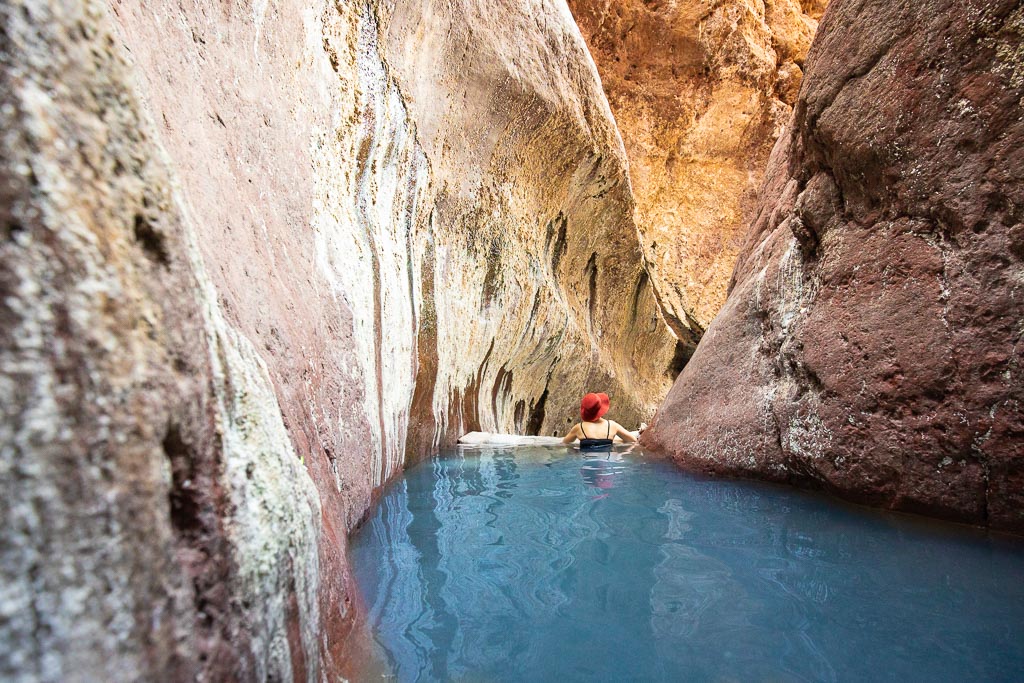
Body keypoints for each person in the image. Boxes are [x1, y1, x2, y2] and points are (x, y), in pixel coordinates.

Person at [561, 392, 638, 450]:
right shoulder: (612, 426)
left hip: (586, 463)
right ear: (600, 408)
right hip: (607, 463)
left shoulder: (579, 428)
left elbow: (564, 444)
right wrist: (615, 441)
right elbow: (632, 440)